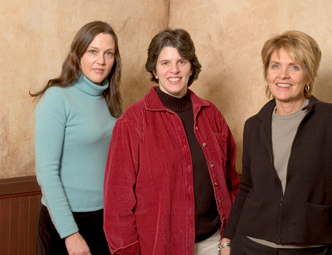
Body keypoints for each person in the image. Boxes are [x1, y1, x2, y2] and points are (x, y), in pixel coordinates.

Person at [220, 30, 332, 255]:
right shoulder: (254, 125)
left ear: (309, 75)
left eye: (294, 67)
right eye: (275, 66)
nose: (283, 75)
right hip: (249, 245)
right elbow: (247, 187)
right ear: (267, 73)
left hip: (309, 247)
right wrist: (227, 240)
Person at [103, 28, 240, 255]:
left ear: (191, 67)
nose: (174, 70)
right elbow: (118, 205)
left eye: (182, 61)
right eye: (165, 62)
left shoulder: (211, 114)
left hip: (216, 244)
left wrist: (229, 238)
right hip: (162, 247)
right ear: (154, 70)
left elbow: (232, 182)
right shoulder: (132, 122)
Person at [31, 21, 122, 255]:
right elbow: (46, 173)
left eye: (108, 53)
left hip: (104, 218)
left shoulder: (109, 101)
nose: (101, 61)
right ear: (78, 53)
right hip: (65, 223)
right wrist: (70, 234)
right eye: (93, 51)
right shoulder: (56, 98)